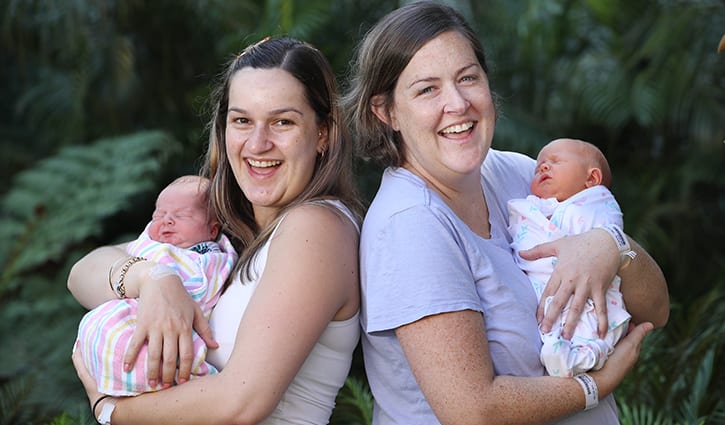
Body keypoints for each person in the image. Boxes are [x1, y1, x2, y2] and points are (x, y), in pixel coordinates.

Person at [342, 2, 669, 424]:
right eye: (428, 89)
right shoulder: (410, 225)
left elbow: (656, 310)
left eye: (467, 78)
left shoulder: (519, 174)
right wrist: (593, 386)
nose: (457, 103)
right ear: (386, 112)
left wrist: (611, 244)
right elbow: (473, 410)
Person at [68, 37, 364, 424]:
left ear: (323, 133)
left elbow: (240, 403)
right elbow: (81, 274)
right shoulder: (223, 233)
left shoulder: (316, 228)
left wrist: (111, 411)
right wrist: (153, 278)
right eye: (242, 120)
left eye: (283, 122)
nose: (258, 144)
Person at [75, 175, 237, 396]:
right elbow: (81, 271)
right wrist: (148, 277)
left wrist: (105, 407)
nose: (167, 221)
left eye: (182, 215)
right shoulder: (149, 244)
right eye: (159, 214)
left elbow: (202, 290)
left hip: (162, 344)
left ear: (212, 230)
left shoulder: (206, 258)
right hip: (118, 329)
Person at [508, 138, 631, 378]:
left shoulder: (597, 203)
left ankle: (584, 354)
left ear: (591, 180)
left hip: (590, 288)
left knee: (599, 321)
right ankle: (559, 350)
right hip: (545, 281)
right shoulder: (534, 206)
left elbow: (608, 241)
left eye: (556, 162)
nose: (543, 167)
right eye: (539, 166)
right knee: (551, 317)